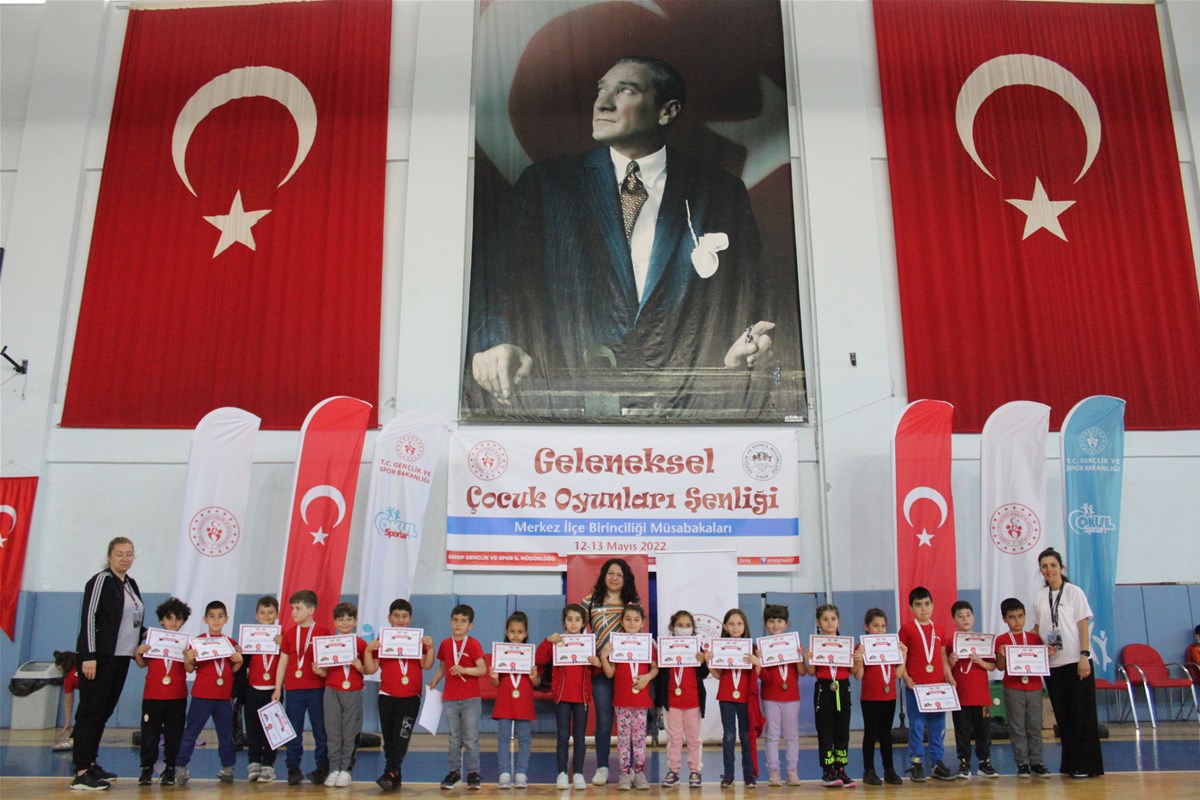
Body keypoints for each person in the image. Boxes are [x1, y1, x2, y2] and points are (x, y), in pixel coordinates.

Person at [467, 56, 780, 411]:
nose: (602, 103)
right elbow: (499, 285)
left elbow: (747, 296)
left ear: (667, 111)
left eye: (626, 90)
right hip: (571, 409)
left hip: (683, 409)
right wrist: (496, 342)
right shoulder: (546, 186)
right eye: (601, 90)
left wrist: (745, 348)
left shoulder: (721, 191)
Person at [72, 536, 143, 791]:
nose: (125, 558)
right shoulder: (101, 580)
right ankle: (81, 772)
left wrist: (150, 640)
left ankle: (91, 763)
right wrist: (89, 655)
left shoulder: (130, 584)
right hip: (99, 659)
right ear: (110, 556)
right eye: (119, 554)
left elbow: (134, 623)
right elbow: (89, 618)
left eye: (129, 554)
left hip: (121, 658)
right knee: (90, 712)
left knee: (103, 711)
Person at [1032, 547, 1104, 778]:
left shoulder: (1074, 592)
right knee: (1063, 717)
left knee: (1082, 715)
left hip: (1075, 661)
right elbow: (1037, 629)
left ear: (1061, 568)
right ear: (1041, 570)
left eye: (1053, 565)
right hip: (1053, 665)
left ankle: (1087, 765)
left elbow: (1083, 626)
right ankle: (1070, 764)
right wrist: (1017, 645)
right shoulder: (1040, 596)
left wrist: (1085, 656)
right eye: (1044, 566)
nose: (1049, 570)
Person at [579, 558, 640, 785]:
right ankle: (602, 767)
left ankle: (631, 767)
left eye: (620, 575)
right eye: (610, 573)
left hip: (626, 671)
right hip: (600, 671)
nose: (614, 578)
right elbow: (575, 629)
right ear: (604, 575)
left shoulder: (632, 602)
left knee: (631, 722)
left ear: (626, 579)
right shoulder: (590, 601)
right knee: (604, 720)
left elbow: (638, 633)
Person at [175, 600, 243, 785]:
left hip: (224, 697)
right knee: (191, 732)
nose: (216, 620)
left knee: (226, 734)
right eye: (212, 616)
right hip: (202, 696)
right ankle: (180, 766)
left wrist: (239, 661)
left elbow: (232, 670)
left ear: (226, 619)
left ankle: (227, 767)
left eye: (220, 616)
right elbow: (190, 668)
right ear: (205, 619)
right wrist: (188, 659)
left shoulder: (231, 643)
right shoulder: (197, 642)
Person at [370, 598, 435, 792]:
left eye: (404, 616)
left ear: (410, 619)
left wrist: (431, 648)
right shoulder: (382, 639)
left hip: (410, 696)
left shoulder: (417, 640)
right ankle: (395, 777)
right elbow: (372, 667)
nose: (400, 620)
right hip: (386, 695)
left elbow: (427, 665)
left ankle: (389, 772)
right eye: (396, 616)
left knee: (402, 736)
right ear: (389, 618)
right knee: (389, 738)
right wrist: (369, 650)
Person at [536, 603, 601, 791]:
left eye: (577, 620)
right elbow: (539, 659)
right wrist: (548, 641)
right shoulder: (557, 641)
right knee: (563, 736)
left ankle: (578, 773)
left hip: (582, 698)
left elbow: (595, 671)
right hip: (562, 697)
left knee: (580, 737)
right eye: (570, 619)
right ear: (564, 622)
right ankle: (562, 773)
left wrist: (597, 663)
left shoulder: (588, 643)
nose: (573, 623)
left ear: (583, 623)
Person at [899, 586, 955, 782]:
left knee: (938, 726)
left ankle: (937, 763)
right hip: (916, 687)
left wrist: (948, 675)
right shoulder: (906, 629)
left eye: (926, 604)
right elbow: (902, 656)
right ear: (911, 608)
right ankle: (916, 763)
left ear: (932, 605)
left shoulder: (939, 629)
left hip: (938, 686)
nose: (923, 608)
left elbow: (942, 655)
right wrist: (905, 676)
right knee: (916, 726)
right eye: (918, 605)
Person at [599, 603, 658, 790]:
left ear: (642, 623)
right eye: (628, 619)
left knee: (639, 738)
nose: (632, 623)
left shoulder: (648, 643)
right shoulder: (616, 643)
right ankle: (625, 773)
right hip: (622, 700)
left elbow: (655, 668)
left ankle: (639, 772)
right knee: (623, 739)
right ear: (622, 622)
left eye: (636, 620)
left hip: (641, 700)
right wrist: (603, 657)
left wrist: (647, 677)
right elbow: (610, 673)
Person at [275, 589, 331, 786]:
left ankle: (322, 767)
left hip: (317, 689)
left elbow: (329, 661)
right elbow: (283, 662)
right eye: (292, 608)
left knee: (320, 730)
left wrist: (322, 671)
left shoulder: (323, 632)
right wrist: (277, 688)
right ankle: (293, 767)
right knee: (293, 730)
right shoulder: (289, 634)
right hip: (294, 689)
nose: (293, 612)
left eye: (298, 608)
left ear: (311, 610)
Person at [133, 597, 191, 786]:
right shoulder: (152, 640)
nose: (173, 622)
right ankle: (147, 769)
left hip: (177, 696)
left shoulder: (186, 644)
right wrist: (138, 652)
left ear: (183, 621)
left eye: (178, 619)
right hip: (153, 696)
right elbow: (142, 664)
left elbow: (190, 668)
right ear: (161, 620)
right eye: (169, 618)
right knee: (150, 735)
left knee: (174, 735)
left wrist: (188, 658)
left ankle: (170, 768)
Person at [430, 603, 487, 791]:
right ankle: (454, 773)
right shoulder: (446, 644)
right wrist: (435, 680)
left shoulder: (473, 644)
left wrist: (464, 670)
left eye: (463, 621)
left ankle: (473, 772)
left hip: (471, 699)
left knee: (470, 738)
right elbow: (442, 667)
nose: (458, 624)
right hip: (450, 698)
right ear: (450, 622)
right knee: (454, 738)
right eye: (455, 620)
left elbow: (482, 669)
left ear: (470, 625)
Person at [313, 602, 370, 788]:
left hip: (353, 690)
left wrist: (360, 667)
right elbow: (325, 671)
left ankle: (346, 770)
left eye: (349, 619)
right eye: (340, 619)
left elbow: (368, 670)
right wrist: (319, 671)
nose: (345, 623)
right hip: (332, 690)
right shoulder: (328, 643)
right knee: (333, 732)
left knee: (350, 732)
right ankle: (334, 769)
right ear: (335, 622)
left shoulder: (360, 643)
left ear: (356, 621)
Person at [994, 597, 1050, 778]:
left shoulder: (1035, 638)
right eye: (1012, 617)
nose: (1017, 621)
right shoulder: (1002, 640)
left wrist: (1049, 653)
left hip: (1034, 687)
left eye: (1020, 616)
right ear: (1004, 619)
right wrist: (1001, 655)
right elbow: (1000, 667)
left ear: (1025, 616)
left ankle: (1037, 762)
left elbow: (1043, 660)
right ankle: (1022, 764)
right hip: (1013, 688)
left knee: (1035, 726)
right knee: (1017, 727)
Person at [852, 608, 905, 786]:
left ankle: (889, 770)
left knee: (886, 734)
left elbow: (898, 674)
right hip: (870, 697)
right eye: (875, 626)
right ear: (867, 627)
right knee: (870, 734)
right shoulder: (861, 647)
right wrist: (859, 659)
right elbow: (858, 676)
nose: (880, 629)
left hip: (889, 696)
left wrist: (904, 655)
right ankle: (869, 771)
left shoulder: (891, 646)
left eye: (883, 626)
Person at [708, 608, 760, 789]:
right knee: (729, 736)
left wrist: (757, 663)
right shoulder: (720, 647)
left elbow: (756, 675)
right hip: (726, 697)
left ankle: (748, 775)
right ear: (725, 626)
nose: (735, 627)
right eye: (731, 624)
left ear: (745, 626)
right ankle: (729, 774)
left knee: (746, 736)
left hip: (745, 697)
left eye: (739, 623)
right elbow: (718, 675)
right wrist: (709, 662)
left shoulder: (752, 648)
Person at [805, 603, 855, 788]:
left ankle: (841, 769)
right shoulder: (816, 645)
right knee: (825, 730)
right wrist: (810, 658)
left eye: (833, 619)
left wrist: (856, 659)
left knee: (842, 730)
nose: (830, 622)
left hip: (842, 687)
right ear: (818, 623)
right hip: (823, 688)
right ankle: (828, 771)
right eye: (825, 619)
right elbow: (811, 672)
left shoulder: (846, 645)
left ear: (839, 622)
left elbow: (854, 672)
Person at [656, 609, 708, 789]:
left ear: (693, 628)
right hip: (672, 702)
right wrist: (658, 702)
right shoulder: (665, 649)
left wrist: (703, 662)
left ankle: (695, 771)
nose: (684, 628)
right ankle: (673, 771)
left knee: (694, 739)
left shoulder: (698, 649)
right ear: (672, 627)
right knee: (674, 739)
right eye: (679, 625)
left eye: (687, 625)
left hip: (693, 702)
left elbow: (704, 674)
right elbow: (660, 677)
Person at [947, 600, 998, 778]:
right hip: (960, 696)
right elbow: (946, 670)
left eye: (968, 615)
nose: (965, 619)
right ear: (954, 620)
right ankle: (964, 763)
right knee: (962, 731)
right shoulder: (950, 642)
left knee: (983, 730)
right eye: (960, 616)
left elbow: (993, 666)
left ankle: (984, 762)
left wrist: (981, 662)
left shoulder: (983, 642)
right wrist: (951, 662)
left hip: (981, 695)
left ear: (974, 618)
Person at [490, 611, 540, 789]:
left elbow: (537, 682)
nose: (516, 635)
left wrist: (534, 676)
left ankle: (521, 774)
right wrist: (494, 676)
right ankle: (504, 774)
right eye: (512, 631)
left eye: (520, 632)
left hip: (524, 702)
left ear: (526, 633)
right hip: (505, 701)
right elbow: (496, 683)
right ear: (506, 632)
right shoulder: (500, 653)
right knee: (503, 739)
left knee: (525, 739)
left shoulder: (530, 654)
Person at [759, 604, 803, 787]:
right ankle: (774, 771)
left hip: (791, 697)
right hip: (770, 696)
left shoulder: (794, 645)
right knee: (772, 735)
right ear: (765, 624)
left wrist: (800, 657)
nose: (775, 624)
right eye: (771, 621)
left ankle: (792, 770)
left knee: (792, 735)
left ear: (786, 624)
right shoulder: (763, 647)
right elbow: (763, 677)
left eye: (779, 621)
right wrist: (759, 662)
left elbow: (802, 672)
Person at [244, 595, 282, 784]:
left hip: (273, 691)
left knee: (272, 730)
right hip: (253, 690)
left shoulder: (281, 638)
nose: (266, 616)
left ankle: (268, 765)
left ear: (277, 614)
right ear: (256, 615)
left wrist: (283, 644)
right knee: (253, 729)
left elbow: (287, 660)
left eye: (270, 612)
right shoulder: (249, 637)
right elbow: (243, 664)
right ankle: (254, 762)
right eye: (262, 612)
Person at [52, 650, 78, 752]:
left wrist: (67, 721)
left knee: (83, 716)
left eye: (60, 669)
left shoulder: (70, 677)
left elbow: (68, 701)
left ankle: (74, 740)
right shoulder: (82, 669)